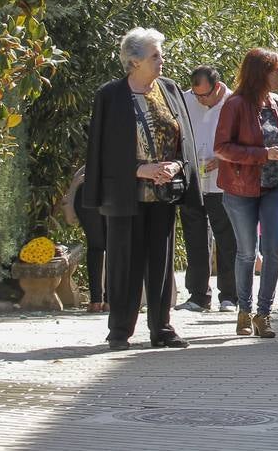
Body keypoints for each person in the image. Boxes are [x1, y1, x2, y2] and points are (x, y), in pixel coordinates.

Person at [83, 27, 198, 351]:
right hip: (126, 195)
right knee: (124, 263)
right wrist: (139, 169)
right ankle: (120, 331)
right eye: (155, 55)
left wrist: (176, 165)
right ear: (134, 61)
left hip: (163, 194)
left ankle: (161, 328)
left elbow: (182, 138)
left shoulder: (170, 89)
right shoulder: (111, 95)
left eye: (160, 54)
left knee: (161, 263)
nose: (162, 60)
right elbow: (100, 150)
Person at [215, 48, 278, 339]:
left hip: (274, 187)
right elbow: (222, 148)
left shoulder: (276, 103)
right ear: (261, 74)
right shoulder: (234, 104)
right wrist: (263, 155)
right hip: (241, 189)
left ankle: (264, 314)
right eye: (277, 70)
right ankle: (244, 311)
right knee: (247, 252)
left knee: (272, 251)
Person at [175, 65, 236, 313]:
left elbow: (246, 139)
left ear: (218, 87)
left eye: (205, 95)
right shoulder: (185, 101)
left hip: (223, 182)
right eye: (197, 94)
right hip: (193, 180)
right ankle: (198, 296)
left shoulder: (234, 103)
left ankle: (230, 296)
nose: (201, 100)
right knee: (195, 237)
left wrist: (223, 158)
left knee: (226, 239)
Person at [62, 166, 106, 314]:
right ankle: (108, 300)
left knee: (95, 246)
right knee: (111, 246)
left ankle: (96, 301)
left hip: (87, 191)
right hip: (108, 190)